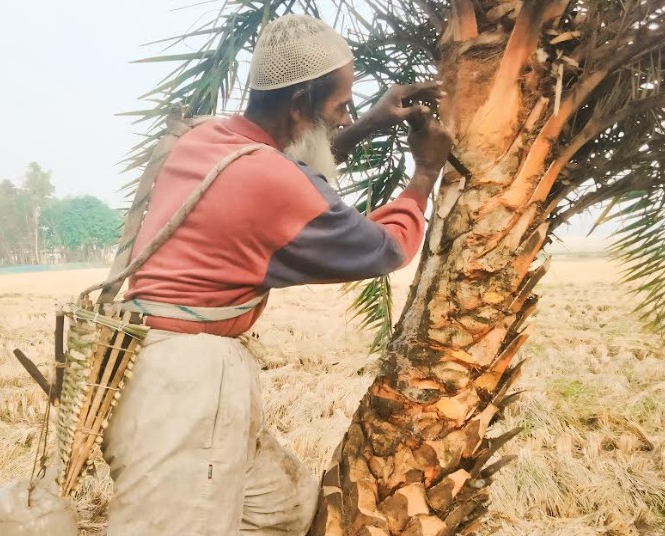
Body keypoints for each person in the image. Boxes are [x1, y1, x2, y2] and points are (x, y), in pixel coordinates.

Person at [102, 13, 454, 536]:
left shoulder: (208, 139)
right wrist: (424, 174)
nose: (344, 117)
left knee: (281, 512)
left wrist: (367, 125)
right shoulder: (269, 179)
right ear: (298, 106)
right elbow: (380, 248)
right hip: (188, 385)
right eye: (339, 107)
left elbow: (285, 173)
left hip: (154, 364)